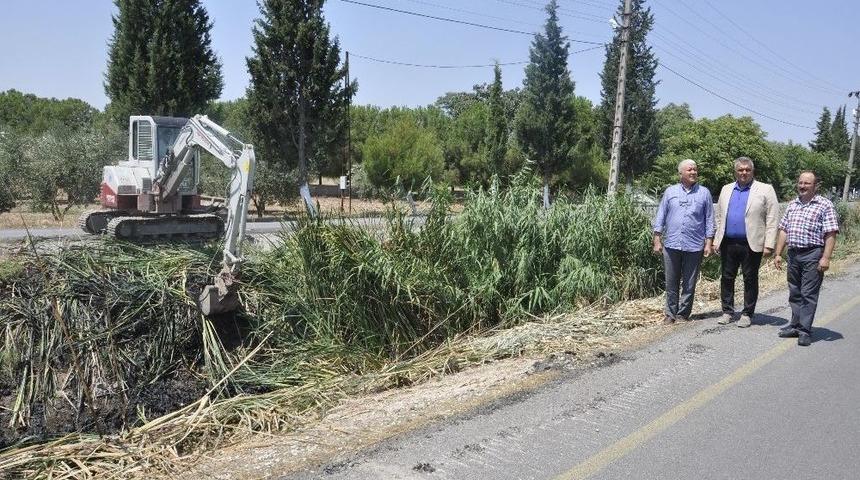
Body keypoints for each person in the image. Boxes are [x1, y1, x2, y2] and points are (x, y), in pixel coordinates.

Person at [773, 171, 839, 347]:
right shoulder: (793, 204)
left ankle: (805, 330)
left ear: (815, 186)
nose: (802, 186)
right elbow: (783, 230)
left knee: (808, 294)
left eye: (807, 183)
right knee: (794, 292)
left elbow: (831, 233)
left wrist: (826, 257)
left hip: (813, 254)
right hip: (794, 254)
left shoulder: (825, 205)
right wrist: (779, 253)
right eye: (800, 183)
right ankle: (795, 325)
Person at [713, 157, 779, 327]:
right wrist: (716, 240)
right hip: (728, 242)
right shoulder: (726, 189)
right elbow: (719, 216)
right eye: (740, 170)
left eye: (747, 170)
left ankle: (747, 313)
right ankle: (727, 311)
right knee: (727, 278)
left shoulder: (765, 189)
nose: (744, 173)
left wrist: (769, 244)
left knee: (750, 278)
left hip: (752, 243)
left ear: (752, 171)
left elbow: (772, 218)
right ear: (735, 172)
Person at [652, 159, 715, 324]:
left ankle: (682, 314)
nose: (693, 172)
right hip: (672, 244)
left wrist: (709, 242)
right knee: (671, 281)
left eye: (695, 169)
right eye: (689, 170)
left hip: (694, 246)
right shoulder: (670, 192)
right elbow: (661, 216)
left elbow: (709, 219)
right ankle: (670, 313)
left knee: (689, 282)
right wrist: (657, 240)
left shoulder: (704, 193)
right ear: (681, 173)